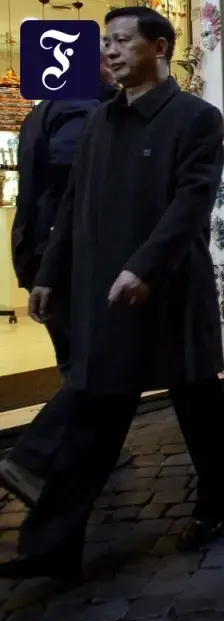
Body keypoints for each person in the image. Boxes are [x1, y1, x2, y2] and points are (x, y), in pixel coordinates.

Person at [5, 7, 224, 579]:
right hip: (102, 295)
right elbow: (69, 205)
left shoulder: (196, 118)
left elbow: (191, 203)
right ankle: (49, 548)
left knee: (198, 405)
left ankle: (218, 506)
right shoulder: (99, 122)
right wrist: (46, 274)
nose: (108, 52)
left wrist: (143, 267)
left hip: (167, 290)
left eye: (121, 41)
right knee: (94, 417)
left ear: (159, 47)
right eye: (105, 42)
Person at [2, 54, 128, 504]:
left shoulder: (45, 110)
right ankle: (34, 457)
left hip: (45, 253)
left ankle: (83, 452)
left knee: (77, 358)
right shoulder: (81, 111)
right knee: (98, 360)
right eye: (110, 57)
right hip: (70, 258)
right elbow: (82, 188)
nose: (118, 65)